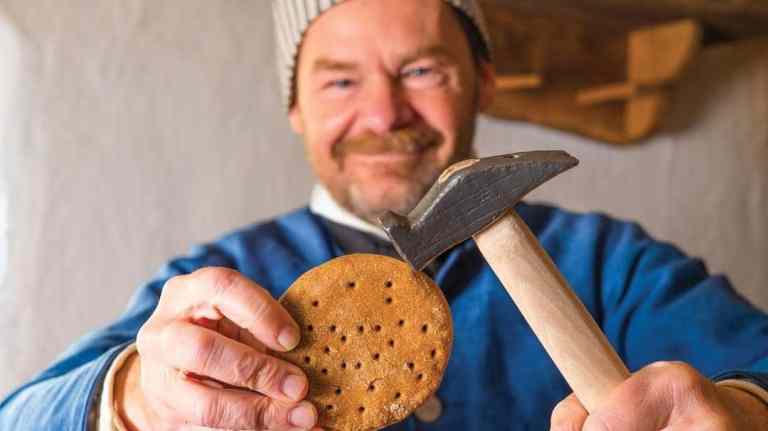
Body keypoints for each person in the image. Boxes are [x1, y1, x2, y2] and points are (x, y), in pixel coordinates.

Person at [2, 0, 768, 429]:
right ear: (295, 110)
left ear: (484, 83)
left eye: (421, 70)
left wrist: (740, 411)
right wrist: (135, 398)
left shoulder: (610, 266)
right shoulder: (212, 300)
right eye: (339, 83)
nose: (383, 112)